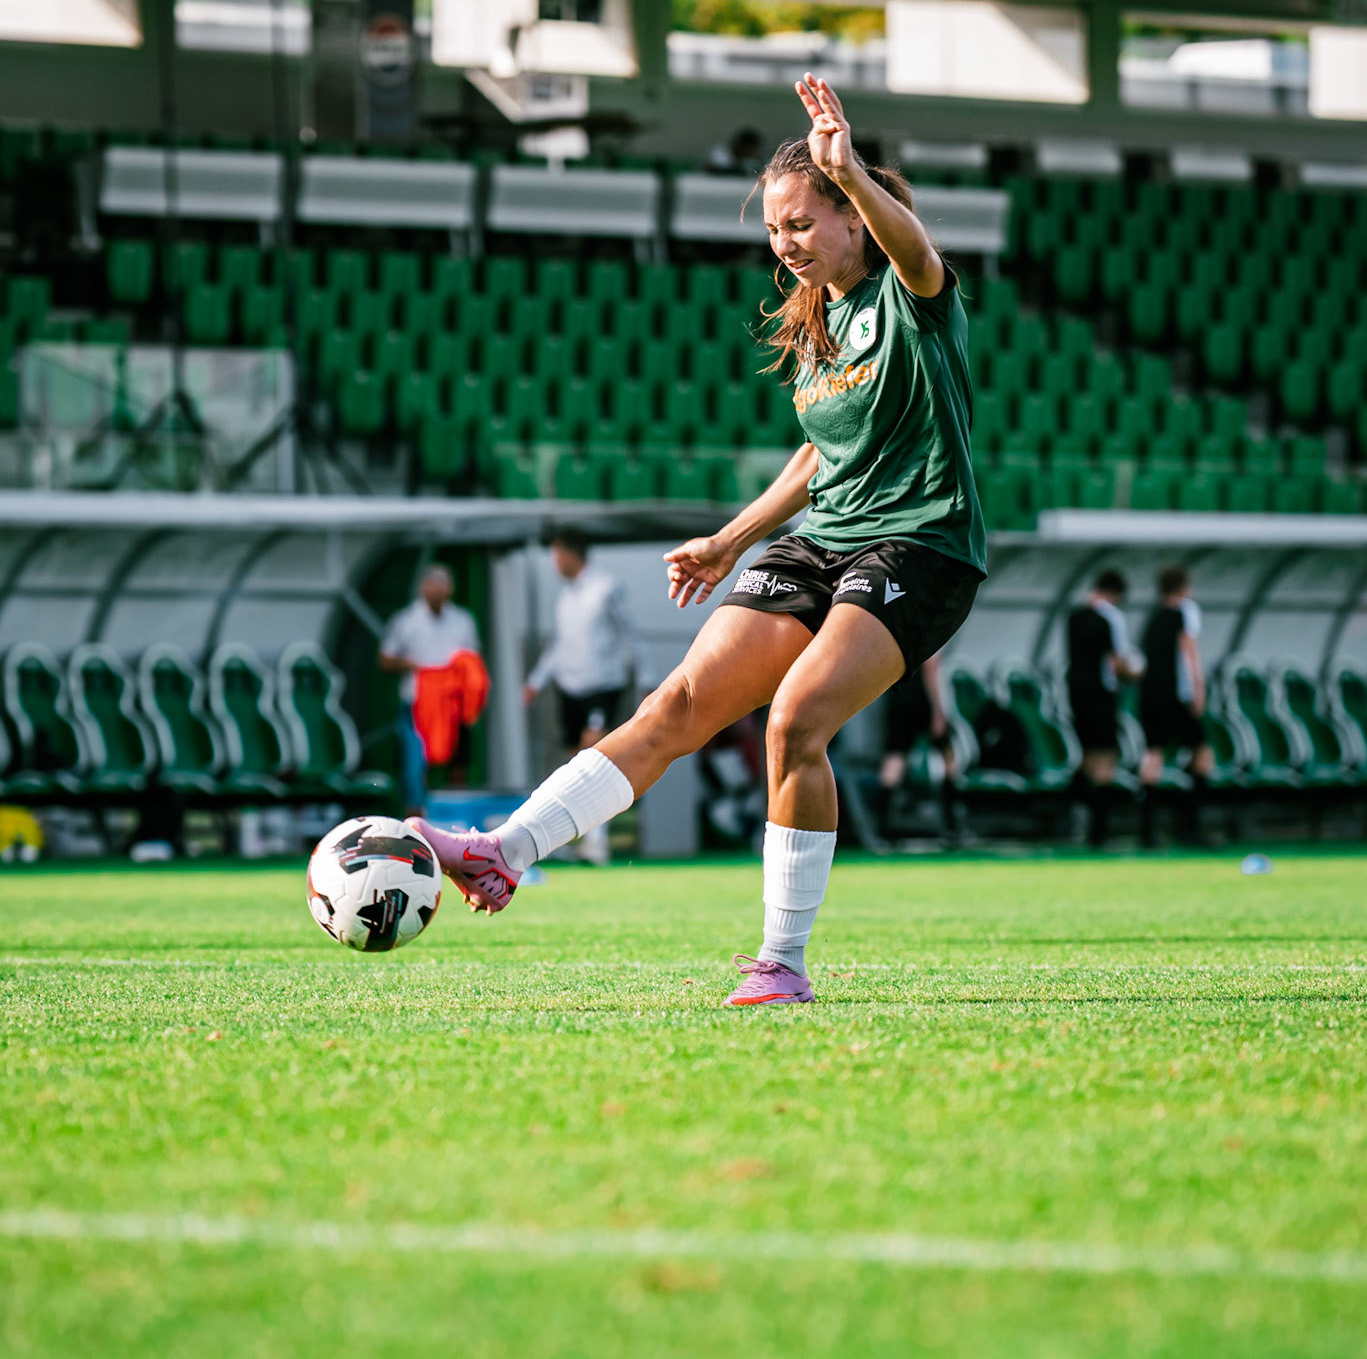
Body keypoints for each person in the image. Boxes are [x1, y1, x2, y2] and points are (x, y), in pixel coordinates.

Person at [411, 74, 985, 1005]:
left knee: (795, 721)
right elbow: (819, 453)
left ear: (852, 218)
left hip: (919, 546)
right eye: (774, 229)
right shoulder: (821, 320)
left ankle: (781, 962)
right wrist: (729, 540)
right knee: (676, 704)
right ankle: (501, 851)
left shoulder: (911, 294)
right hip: (822, 540)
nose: (784, 243)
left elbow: (916, 253)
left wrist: (850, 170)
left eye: (801, 223)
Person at [522, 529, 649, 754]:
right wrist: (536, 681)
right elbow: (558, 644)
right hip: (569, 688)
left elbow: (630, 634)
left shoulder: (607, 587)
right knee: (573, 757)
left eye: (557, 556)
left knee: (592, 750)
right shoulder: (566, 597)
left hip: (601, 687)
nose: (554, 564)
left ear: (571, 555)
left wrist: (647, 679)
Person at [379, 564, 482, 815]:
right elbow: (385, 659)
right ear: (422, 587)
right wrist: (412, 665)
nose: (437, 589)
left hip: (452, 704)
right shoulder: (406, 621)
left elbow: (473, 661)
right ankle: (415, 822)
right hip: (417, 703)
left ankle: (457, 820)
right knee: (416, 764)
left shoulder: (462, 621)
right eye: (432, 583)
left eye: (442, 584)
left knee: (457, 762)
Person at [1065, 569, 1144, 850]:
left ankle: (1071, 815)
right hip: (1101, 694)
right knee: (1105, 759)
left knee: (1087, 755)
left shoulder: (1074, 616)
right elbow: (1116, 662)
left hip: (1076, 693)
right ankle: (1099, 832)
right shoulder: (1110, 617)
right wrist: (1139, 674)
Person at [1138, 564, 1215, 846]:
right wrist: (1198, 688)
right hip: (1176, 696)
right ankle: (1189, 827)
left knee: (1152, 758)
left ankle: (1147, 833)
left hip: (1150, 695)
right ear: (1184, 587)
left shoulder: (1153, 617)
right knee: (1202, 755)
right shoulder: (1186, 610)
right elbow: (1188, 648)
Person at [875, 653, 962, 844]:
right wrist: (937, 711)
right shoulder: (927, 637)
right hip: (922, 698)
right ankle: (952, 826)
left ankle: (883, 831)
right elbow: (931, 667)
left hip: (898, 697)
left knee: (894, 761)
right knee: (949, 759)